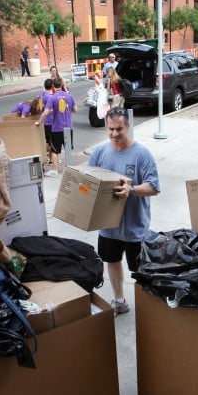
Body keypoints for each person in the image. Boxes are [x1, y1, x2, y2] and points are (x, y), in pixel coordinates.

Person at [88, 107, 160, 316]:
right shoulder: (100, 152)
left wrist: (132, 189)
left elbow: (153, 187)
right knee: (112, 261)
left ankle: (146, 306)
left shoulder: (142, 154)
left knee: (139, 269)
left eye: (119, 129)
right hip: (108, 226)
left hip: (135, 226)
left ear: (128, 126)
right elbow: (88, 180)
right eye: (110, 129)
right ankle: (119, 300)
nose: (114, 134)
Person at [35, 75, 77, 177]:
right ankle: (69, 169)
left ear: (53, 85)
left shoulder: (52, 97)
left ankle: (54, 170)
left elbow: (45, 112)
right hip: (68, 127)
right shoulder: (69, 96)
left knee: (54, 150)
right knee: (67, 149)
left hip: (57, 128)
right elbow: (75, 109)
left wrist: (39, 122)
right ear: (62, 84)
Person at [38, 77, 54, 165]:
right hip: (49, 121)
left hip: (43, 122)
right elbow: (50, 110)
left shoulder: (41, 95)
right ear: (52, 86)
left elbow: (39, 108)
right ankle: (51, 160)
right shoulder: (49, 97)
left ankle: (45, 158)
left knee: (47, 141)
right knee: (51, 142)